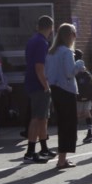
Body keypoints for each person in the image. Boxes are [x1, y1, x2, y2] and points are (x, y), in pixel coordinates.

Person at [43, 23, 79, 168]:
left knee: (62, 124)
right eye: (74, 34)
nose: (75, 37)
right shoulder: (66, 52)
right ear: (69, 35)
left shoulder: (51, 52)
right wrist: (79, 67)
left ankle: (62, 158)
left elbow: (47, 72)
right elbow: (70, 72)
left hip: (55, 89)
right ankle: (62, 159)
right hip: (67, 90)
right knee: (69, 125)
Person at [23, 15, 55, 164]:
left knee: (43, 118)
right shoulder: (42, 43)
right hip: (38, 85)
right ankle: (30, 152)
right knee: (36, 118)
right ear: (51, 27)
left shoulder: (32, 40)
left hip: (31, 83)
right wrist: (45, 85)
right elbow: (39, 67)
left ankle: (43, 148)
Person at [74, 59, 92, 145]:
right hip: (88, 97)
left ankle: (74, 134)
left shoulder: (75, 74)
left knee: (77, 114)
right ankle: (90, 132)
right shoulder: (88, 74)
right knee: (87, 112)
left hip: (79, 98)